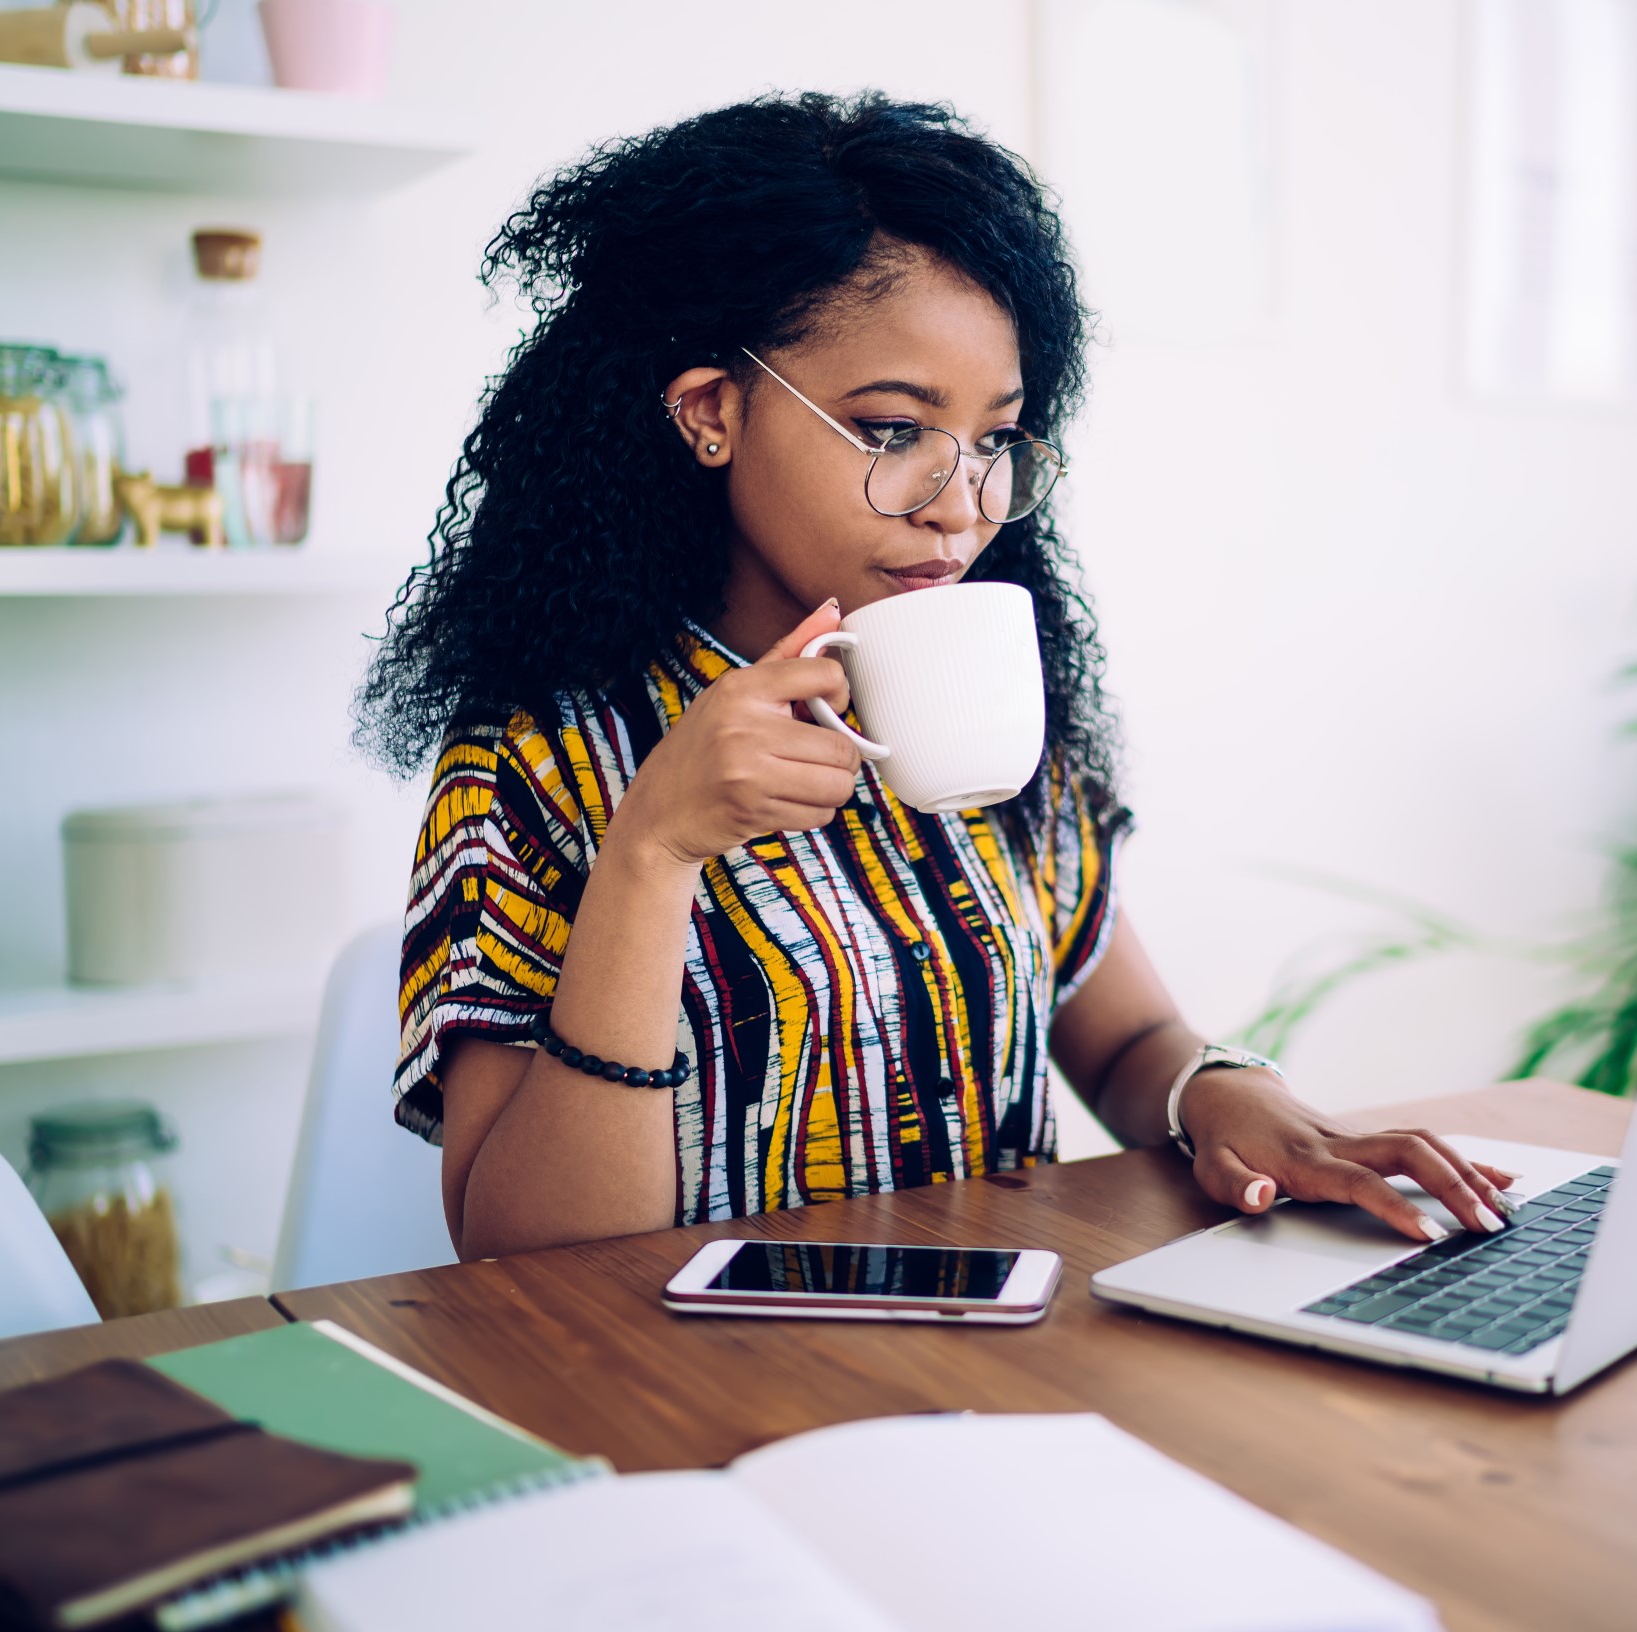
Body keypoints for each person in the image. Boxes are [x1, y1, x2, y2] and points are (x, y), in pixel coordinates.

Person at [358, 92, 1514, 1261]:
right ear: (710, 412)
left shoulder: (979, 684)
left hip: (998, 1363)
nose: (962, 504)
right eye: (891, 430)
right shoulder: (534, 760)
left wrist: (1223, 1094)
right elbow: (524, 1254)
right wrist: (653, 852)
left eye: (996, 440)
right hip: (681, 1396)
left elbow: (1122, 1039)